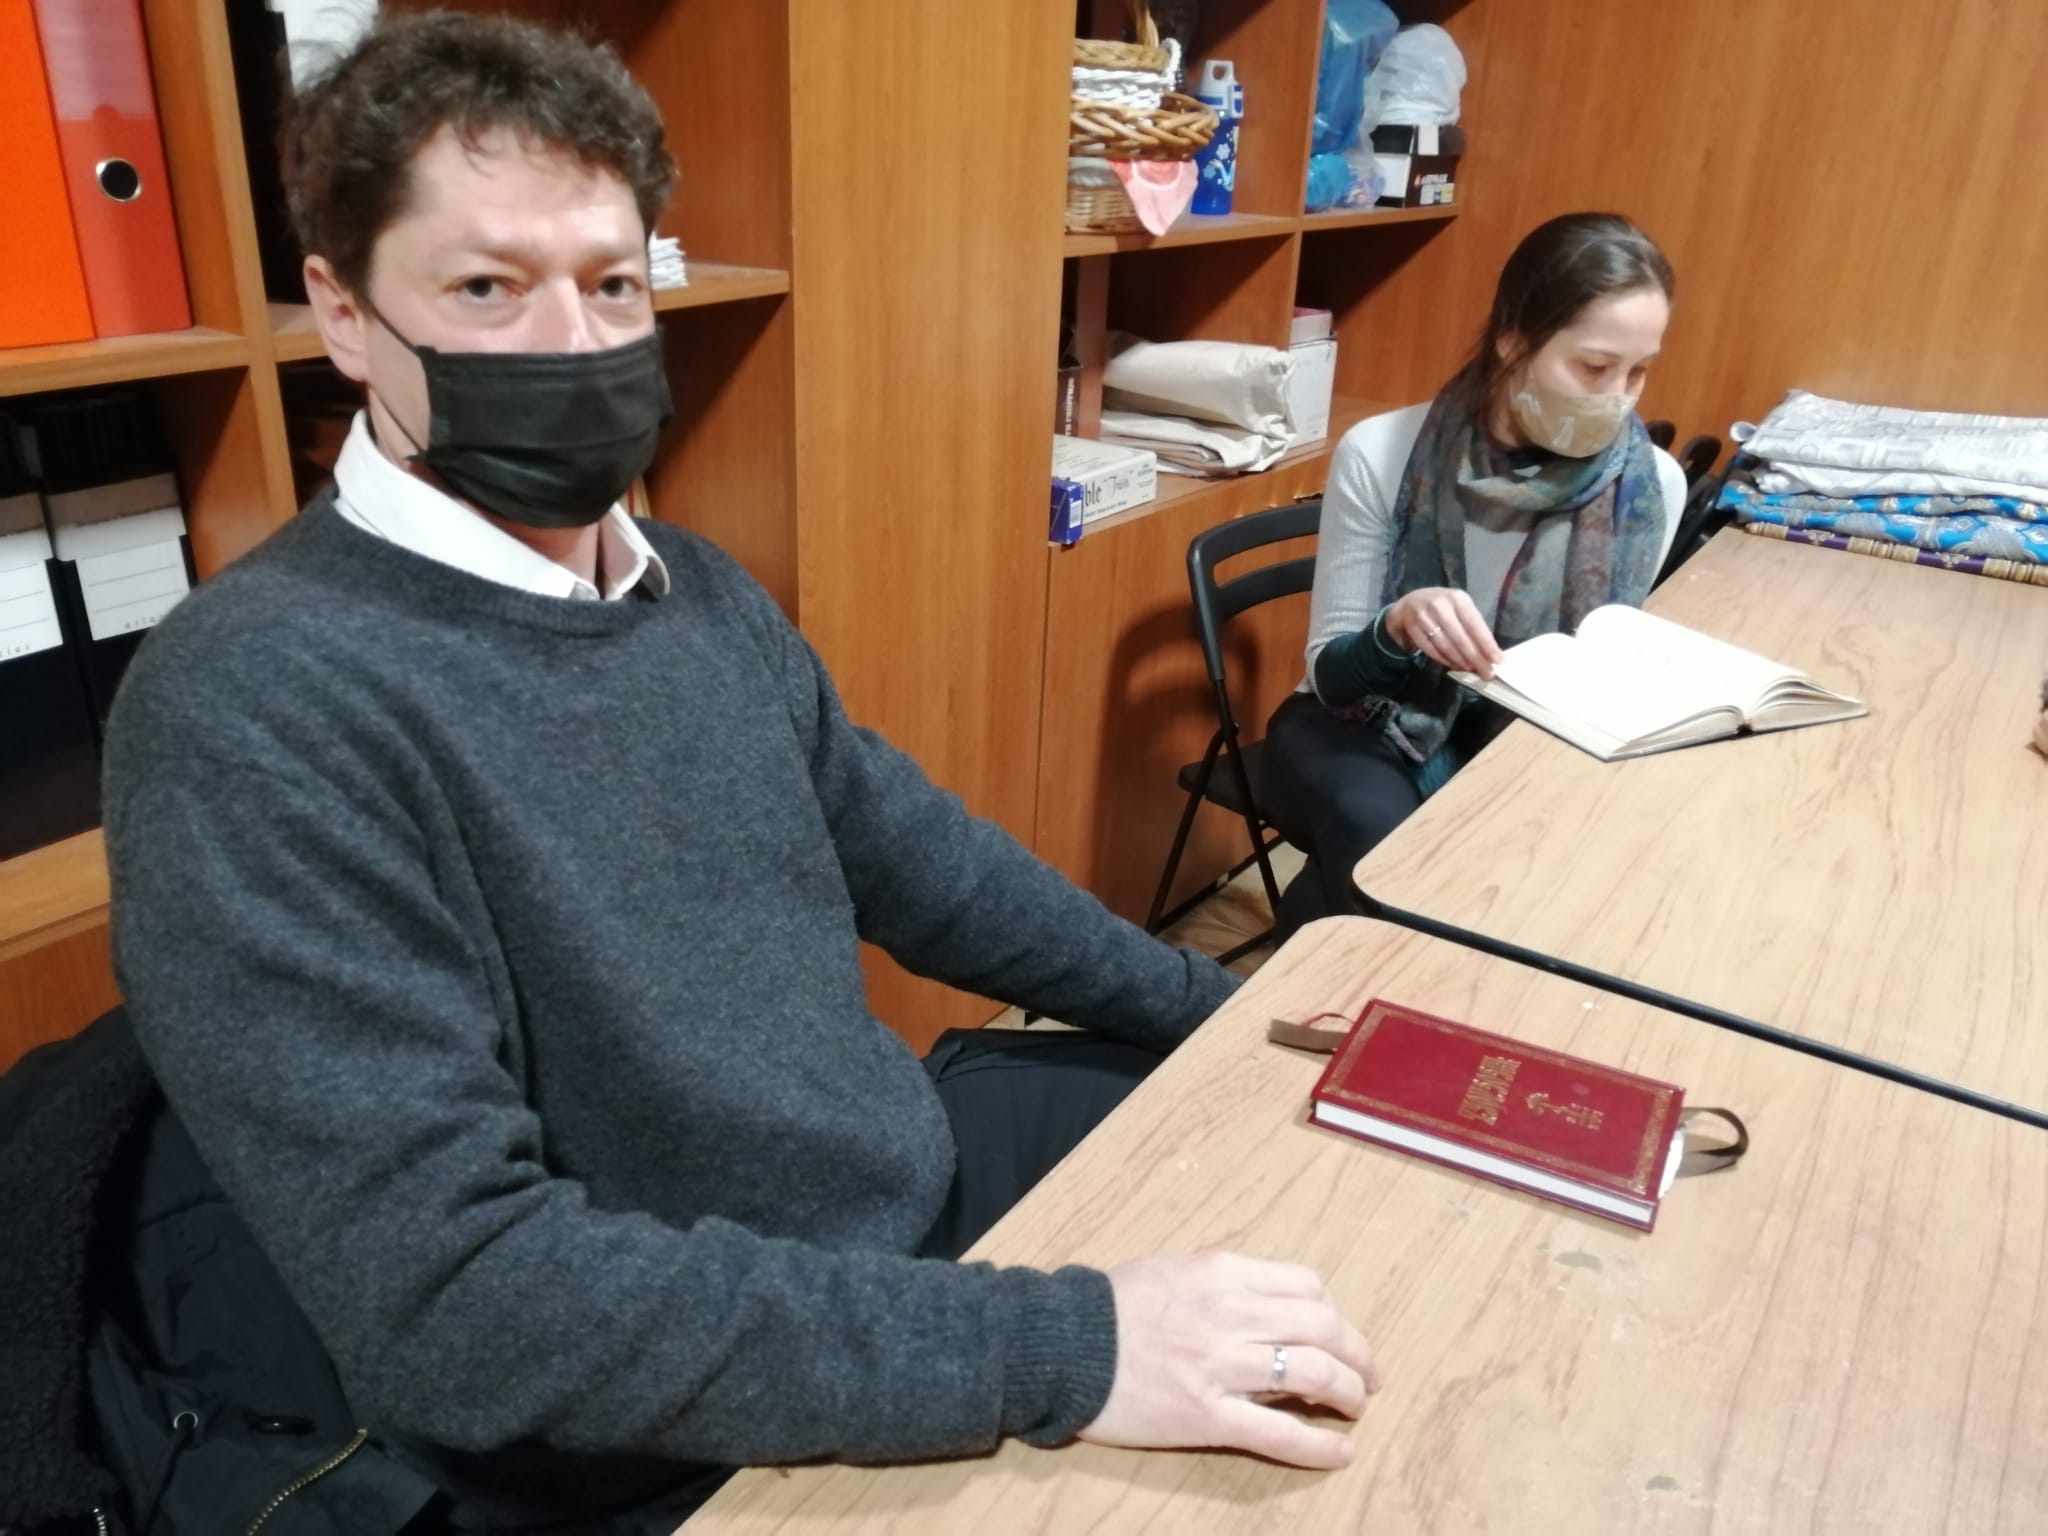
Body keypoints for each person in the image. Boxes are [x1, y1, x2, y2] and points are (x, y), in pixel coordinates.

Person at [96, 13, 1378, 1531]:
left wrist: (1217, 1020)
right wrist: (1066, 1350)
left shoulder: (686, 590)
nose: (574, 343)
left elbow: (926, 867)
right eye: (488, 288)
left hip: (891, 1227)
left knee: (1341, 1205)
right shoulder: (252, 707)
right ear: (343, 312)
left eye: (611, 283)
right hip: (664, 1423)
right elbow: (469, 1309)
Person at [1262, 212, 1682, 938]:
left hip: (1533, 739)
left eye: (1638, 370)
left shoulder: (1649, 489)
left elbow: (1606, 681)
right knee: (1380, 837)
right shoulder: (1384, 452)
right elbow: (1332, 679)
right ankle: (1372, 976)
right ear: (1514, 339)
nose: (1618, 396)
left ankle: (1331, 945)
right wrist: (1397, 629)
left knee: (1595, 859)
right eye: (1593, 366)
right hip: (1370, 721)